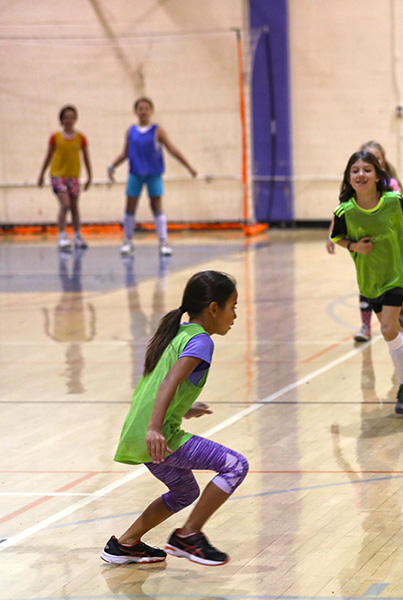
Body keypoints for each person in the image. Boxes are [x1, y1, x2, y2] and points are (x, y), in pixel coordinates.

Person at [101, 271, 247, 567]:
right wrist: (156, 428)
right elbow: (169, 381)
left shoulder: (179, 333)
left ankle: (125, 544)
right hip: (158, 437)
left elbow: (159, 385)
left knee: (185, 492)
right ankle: (189, 535)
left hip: (138, 433)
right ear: (214, 308)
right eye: (233, 307)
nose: (235, 315)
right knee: (235, 465)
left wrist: (183, 408)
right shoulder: (201, 341)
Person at [329, 150, 403, 414]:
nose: (361, 174)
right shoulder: (345, 211)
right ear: (348, 178)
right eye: (355, 171)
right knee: (391, 330)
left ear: (377, 176)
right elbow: (336, 237)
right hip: (370, 278)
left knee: (386, 328)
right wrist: (354, 246)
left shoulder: (393, 201)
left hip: (397, 272)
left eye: (367, 170)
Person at [326, 140, 403, 341]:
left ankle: (398, 316)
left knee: (390, 284)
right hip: (364, 245)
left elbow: (401, 210)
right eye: (356, 170)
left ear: (382, 162)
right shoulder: (355, 188)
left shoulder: (390, 187)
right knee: (368, 283)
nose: (361, 173)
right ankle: (365, 326)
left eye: (377, 158)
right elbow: (343, 210)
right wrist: (332, 235)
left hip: (387, 244)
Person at [107, 97, 197, 256]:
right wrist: (112, 166)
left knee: (157, 207)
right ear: (136, 111)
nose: (143, 112)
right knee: (130, 208)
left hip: (153, 174)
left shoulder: (157, 130)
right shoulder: (131, 131)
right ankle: (128, 241)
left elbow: (172, 150)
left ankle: (163, 242)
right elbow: (125, 153)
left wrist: (188, 166)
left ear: (151, 111)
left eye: (146, 109)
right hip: (135, 174)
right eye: (140, 109)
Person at [37, 105, 92, 251]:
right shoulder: (55, 137)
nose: (69, 120)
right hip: (57, 175)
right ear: (61, 120)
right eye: (66, 117)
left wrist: (89, 176)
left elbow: (86, 158)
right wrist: (41, 174)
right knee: (65, 204)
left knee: (74, 207)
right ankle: (62, 235)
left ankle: (77, 235)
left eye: (71, 117)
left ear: (75, 119)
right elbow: (48, 156)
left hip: (73, 176)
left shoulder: (81, 138)